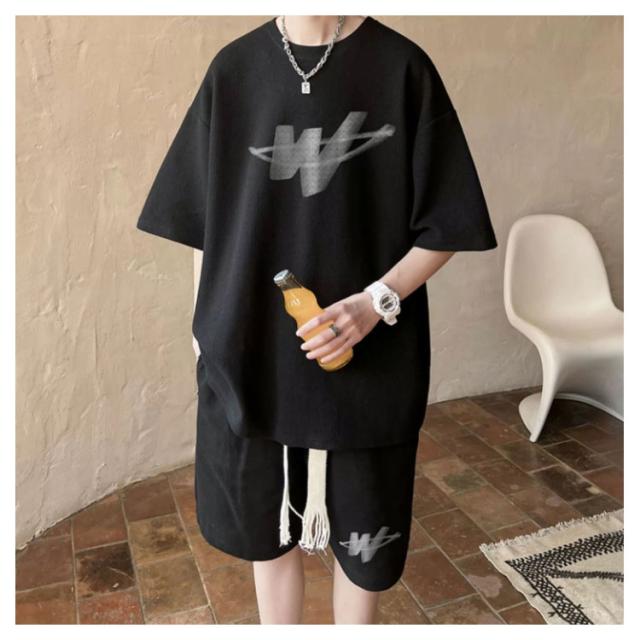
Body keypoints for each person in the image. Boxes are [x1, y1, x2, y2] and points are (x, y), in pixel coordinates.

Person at [136, 15, 498, 624]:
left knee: (365, 545)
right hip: (251, 352)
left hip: (369, 361)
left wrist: (375, 302)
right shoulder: (234, 70)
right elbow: (204, 224)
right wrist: (203, 332)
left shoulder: (402, 68)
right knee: (267, 533)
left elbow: (449, 221)